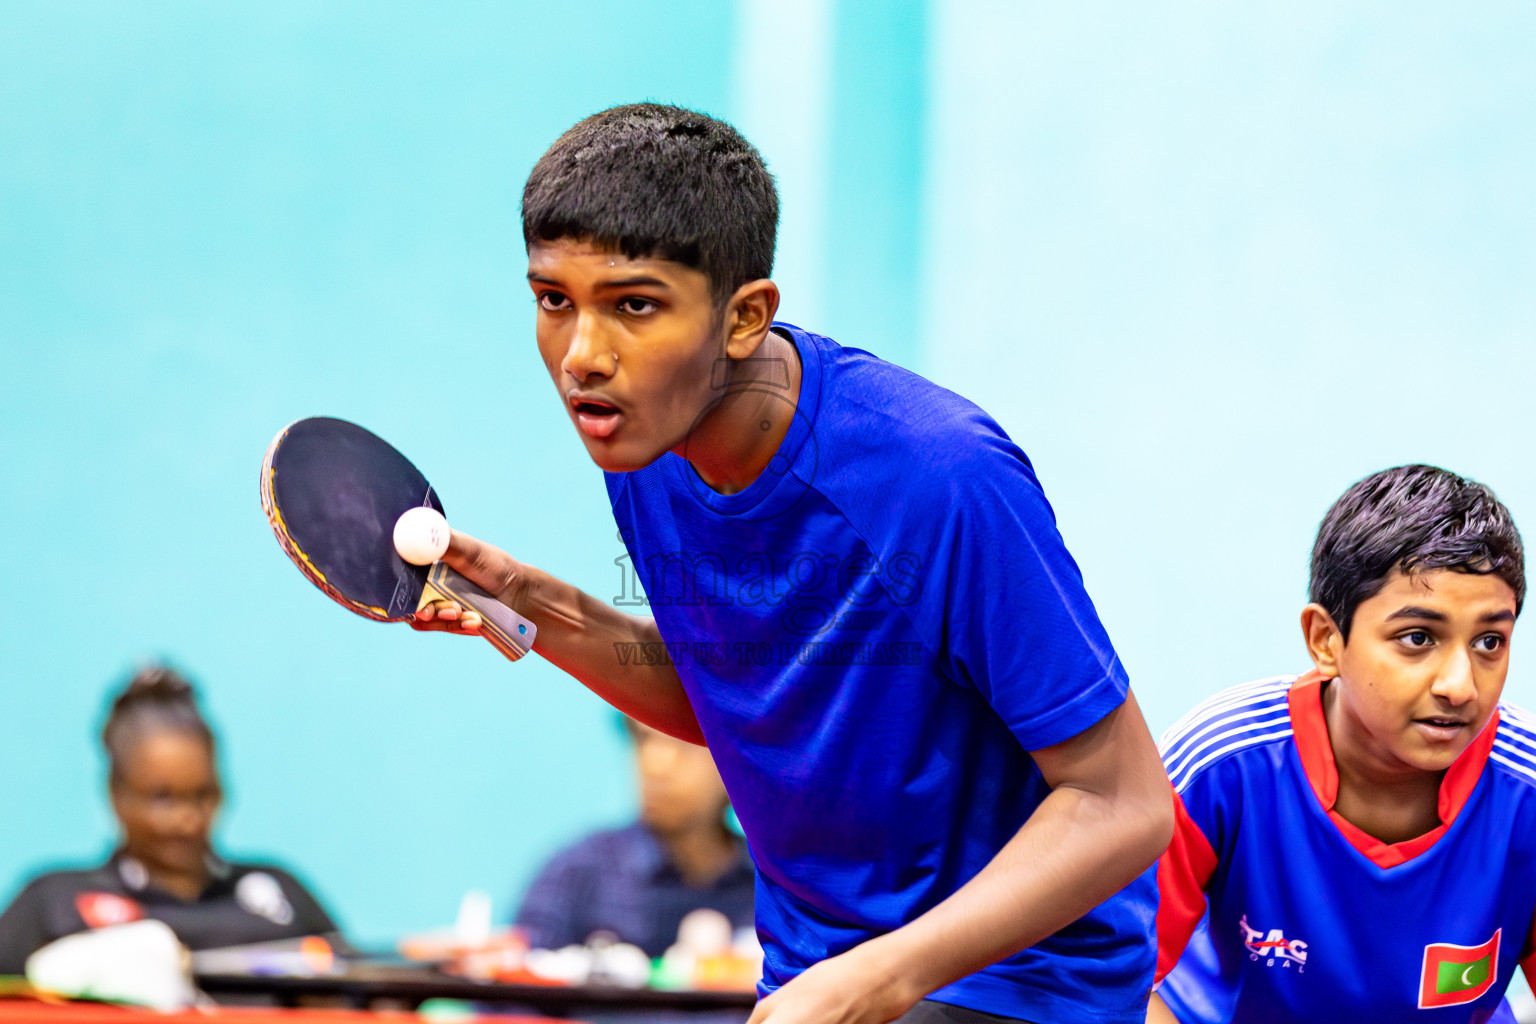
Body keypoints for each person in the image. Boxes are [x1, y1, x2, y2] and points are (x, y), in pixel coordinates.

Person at [412, 103, 1173, 1024]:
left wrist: (883, 979)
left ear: (745, 317)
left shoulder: (937, 474)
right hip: (814, 975)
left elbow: (1123, 802)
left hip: (1012, 988)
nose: (583, 356)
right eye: (552, 300)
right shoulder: (646, 446)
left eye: (635, 306)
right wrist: (537, 607)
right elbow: (741, 698)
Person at [1150, 465, 1530, 1023]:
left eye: (1489, 641)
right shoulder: (1221, 762)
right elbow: (1102, 978)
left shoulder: (1526, 791)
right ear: (1326, 640)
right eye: (1418, 638)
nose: (1460, 685)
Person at [0, 666, 341, 974]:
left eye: (203, 794)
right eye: (163, 797)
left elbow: (357, 992)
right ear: (116, 793)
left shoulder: (281, 897)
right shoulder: (54, 906)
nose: (188, 818)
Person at [515, 716, 754, 957]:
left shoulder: (770, 885)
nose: (656, 764)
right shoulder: (578, 870)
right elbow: (512, 982)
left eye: (686, 740)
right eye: (644, 738)